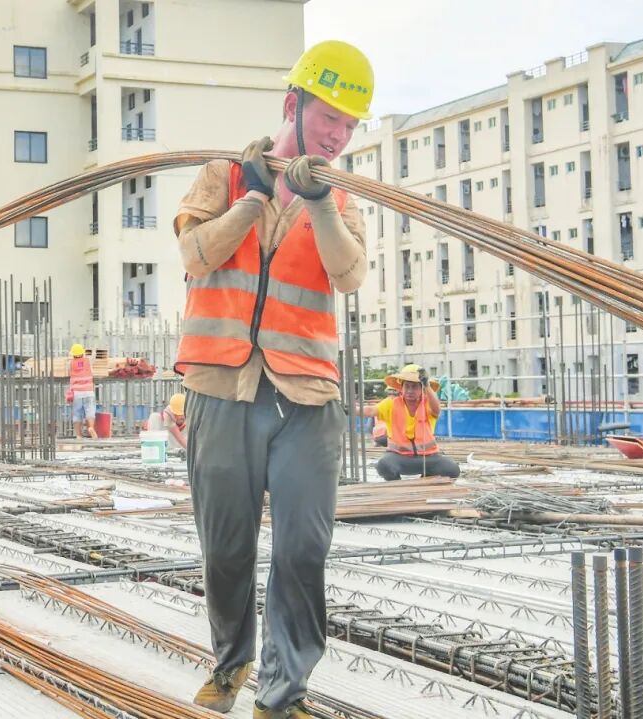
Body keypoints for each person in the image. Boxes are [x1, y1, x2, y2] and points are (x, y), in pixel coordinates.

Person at [173, 40, 372, 719]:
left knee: (302, 546)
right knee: (226, 542)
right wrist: (254, 200)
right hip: (221, 390)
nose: (339, 134)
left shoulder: (344, 201)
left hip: (307, 398)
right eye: (330, 116)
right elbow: (196, 255)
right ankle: (232, 664)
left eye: (350, 124)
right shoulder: (222, 176)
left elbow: (348, 275)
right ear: (294, 103)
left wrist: (317, 204)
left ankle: (283, 694)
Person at [361, 364, 461, 481]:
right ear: (401, 388)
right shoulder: (391, 403)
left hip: (428, 457)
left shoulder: (427, 404)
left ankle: (427, 478)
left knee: (452, 469)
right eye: (407, 386)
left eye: (414, 387)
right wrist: (351, 409)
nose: (410, 391)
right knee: (384, 465)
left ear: (422, 389)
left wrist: (427, 385)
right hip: (400, 457)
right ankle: (396, 486)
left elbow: (436, 409)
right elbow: (371, 410)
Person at [66, 343, 97, 439]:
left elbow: (68, 373)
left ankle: (79, 435)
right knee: (90, 412)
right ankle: (91, 428)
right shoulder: (88, 361)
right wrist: (93, 349)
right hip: (88, 391)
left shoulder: (70, 363)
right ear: (82, 353)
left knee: (77, 414)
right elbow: (94, 355)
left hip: (77, 393)